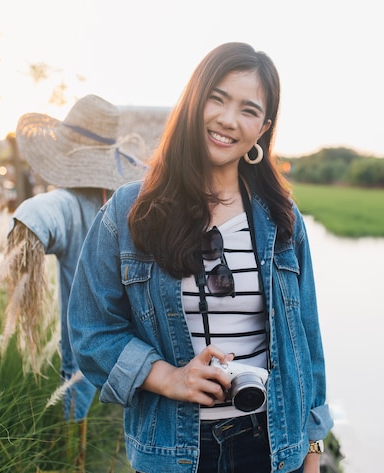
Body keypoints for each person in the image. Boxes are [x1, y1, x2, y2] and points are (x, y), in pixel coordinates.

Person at [68, 43, 333, 473]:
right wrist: (169, 378)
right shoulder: (130, 212)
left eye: (249, 110)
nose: (229, 120)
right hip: (173, 453)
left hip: (271, 446)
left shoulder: (280, 218)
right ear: (194, 101)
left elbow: (308, 342)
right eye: (218, 98)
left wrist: (314, 451)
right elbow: (91, 331)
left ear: (263, 128)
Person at [5, 95, 149, 443]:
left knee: (83, 445)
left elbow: (38, 212)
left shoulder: (109, 205)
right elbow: (41, 213)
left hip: (113, 361)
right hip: (138, 360)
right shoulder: (98, 205)